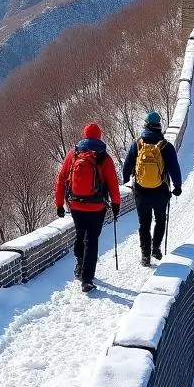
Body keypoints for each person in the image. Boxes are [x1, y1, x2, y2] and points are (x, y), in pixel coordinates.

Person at [56, 123, 121, 292]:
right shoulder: (104, 157)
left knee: (80, 234)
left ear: (84, 135)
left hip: (76, 204)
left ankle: (79, 263)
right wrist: (116, 203)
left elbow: (61, 179)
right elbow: (113, 183)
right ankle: (87, 279)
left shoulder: (73, 153)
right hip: (96, 206)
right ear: (99, 136)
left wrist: (59, 204)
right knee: (91, 241)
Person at [121, 111, 182, 266]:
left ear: (146, 125)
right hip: (161, 189)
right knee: (160, 219)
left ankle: (145, 255)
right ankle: (156, 247)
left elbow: (127, 165)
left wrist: (126, 179)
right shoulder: (165, 146)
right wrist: (177, 186)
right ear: (159, 126)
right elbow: (174, 168)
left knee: (144, 223)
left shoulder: (137, 144)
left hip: (141, 190)